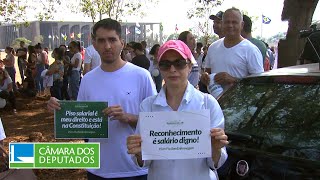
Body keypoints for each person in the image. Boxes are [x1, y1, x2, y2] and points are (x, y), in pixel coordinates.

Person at [47, 18, 157, 180]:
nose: (107, 46)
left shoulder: (141, 76)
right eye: (101, 40)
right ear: (94, 44)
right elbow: (82, 122)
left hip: (135, 169)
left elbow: (156, 122)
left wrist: (127, 117)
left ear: (122, 42)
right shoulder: (88, 79)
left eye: (112, 39)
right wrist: (59, 109)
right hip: (98, 169)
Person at [126, 40, 229, 180]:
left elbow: (214, 163)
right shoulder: (148, 106)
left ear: (189, 66)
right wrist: (138, 152)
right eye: (165, 64)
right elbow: (145, 162)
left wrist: (215, 148)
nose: (172, 69)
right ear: (159, 67)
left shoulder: (207, 103)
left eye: (179, 63)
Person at [202, 8, 263, 91]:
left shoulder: (251, 50)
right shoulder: (213, 47)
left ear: (242, 25)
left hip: (239, 102)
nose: (230, 25)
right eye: (227, 22)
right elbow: (208, 71)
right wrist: (205, 76)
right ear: (222, 24)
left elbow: (259, 83)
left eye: (234, 22)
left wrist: (233, 80)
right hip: (215, 102)